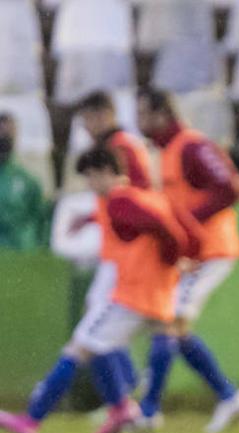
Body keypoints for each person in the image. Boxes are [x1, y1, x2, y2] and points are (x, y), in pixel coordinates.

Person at [0, 148, 201, 433]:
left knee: (76, 349)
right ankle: (124, 409)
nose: (91, 186)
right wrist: (176, 259)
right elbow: (178, 231)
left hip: (130, 298)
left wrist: (174, 254)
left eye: (92, 178)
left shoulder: (120, 200)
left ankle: (31, 419)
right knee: (112, 345)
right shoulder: (144, 197)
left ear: (106, 171)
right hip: (155, 295)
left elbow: (167, 230)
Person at [135, 88, 239, 433]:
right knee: (171, 325)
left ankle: (149, 410)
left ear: (160, 114)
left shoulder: (191, 146)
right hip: (192, 254)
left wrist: (186, 221)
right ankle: (227, 395)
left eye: (142, 113)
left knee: (168, 321)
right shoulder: (166, 151)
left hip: (212, 251)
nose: (139, 121)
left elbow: (231, 187)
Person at [76, 90, 155, 397]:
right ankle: (129, 394)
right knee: (102, 321)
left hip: (125, 253)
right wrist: (90, 220)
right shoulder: (113, 147)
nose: (86, 128)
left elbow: (139, 197)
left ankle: (127, 397)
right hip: (115, 250)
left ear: (103, 115)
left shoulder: (123, 148)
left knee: (99, 324)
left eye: (87, 120)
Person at [0, 113, 49, 251]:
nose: (4, 138)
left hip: (19, 249)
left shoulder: (28, 180)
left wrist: (38, 245)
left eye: (8, 133)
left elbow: (40, 217)